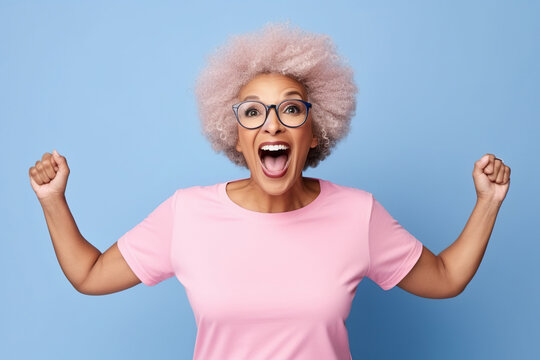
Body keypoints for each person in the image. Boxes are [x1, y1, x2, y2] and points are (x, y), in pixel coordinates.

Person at [29, 23, 511, 360]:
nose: (272, 124)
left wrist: (488, 202)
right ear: (234, 134)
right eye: (253, 113)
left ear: (316, 130)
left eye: (291, 111)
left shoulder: (358, 214)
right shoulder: (187, 214)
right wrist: (53, 199)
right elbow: (90, 275)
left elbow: (445, 278)